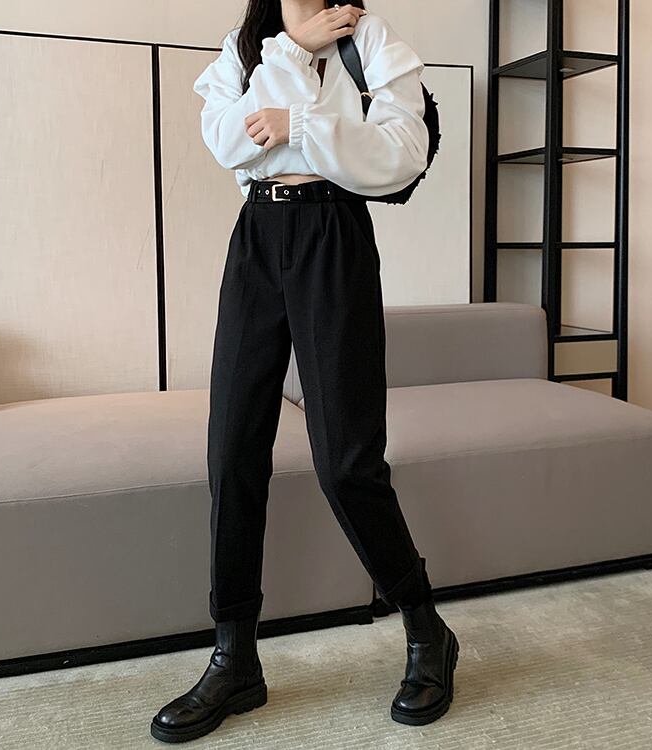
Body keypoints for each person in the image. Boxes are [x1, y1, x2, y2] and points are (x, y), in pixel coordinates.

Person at [150, 1, 458, 742]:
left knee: (347, 461)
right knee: (231, 451)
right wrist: (288, 52)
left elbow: (399, 154)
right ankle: (234, 658)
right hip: (256, 236)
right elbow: (230, 141)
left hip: (333, 234)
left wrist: (301, 125)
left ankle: (426, 629)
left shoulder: (367, 37)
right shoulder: (244, 46)